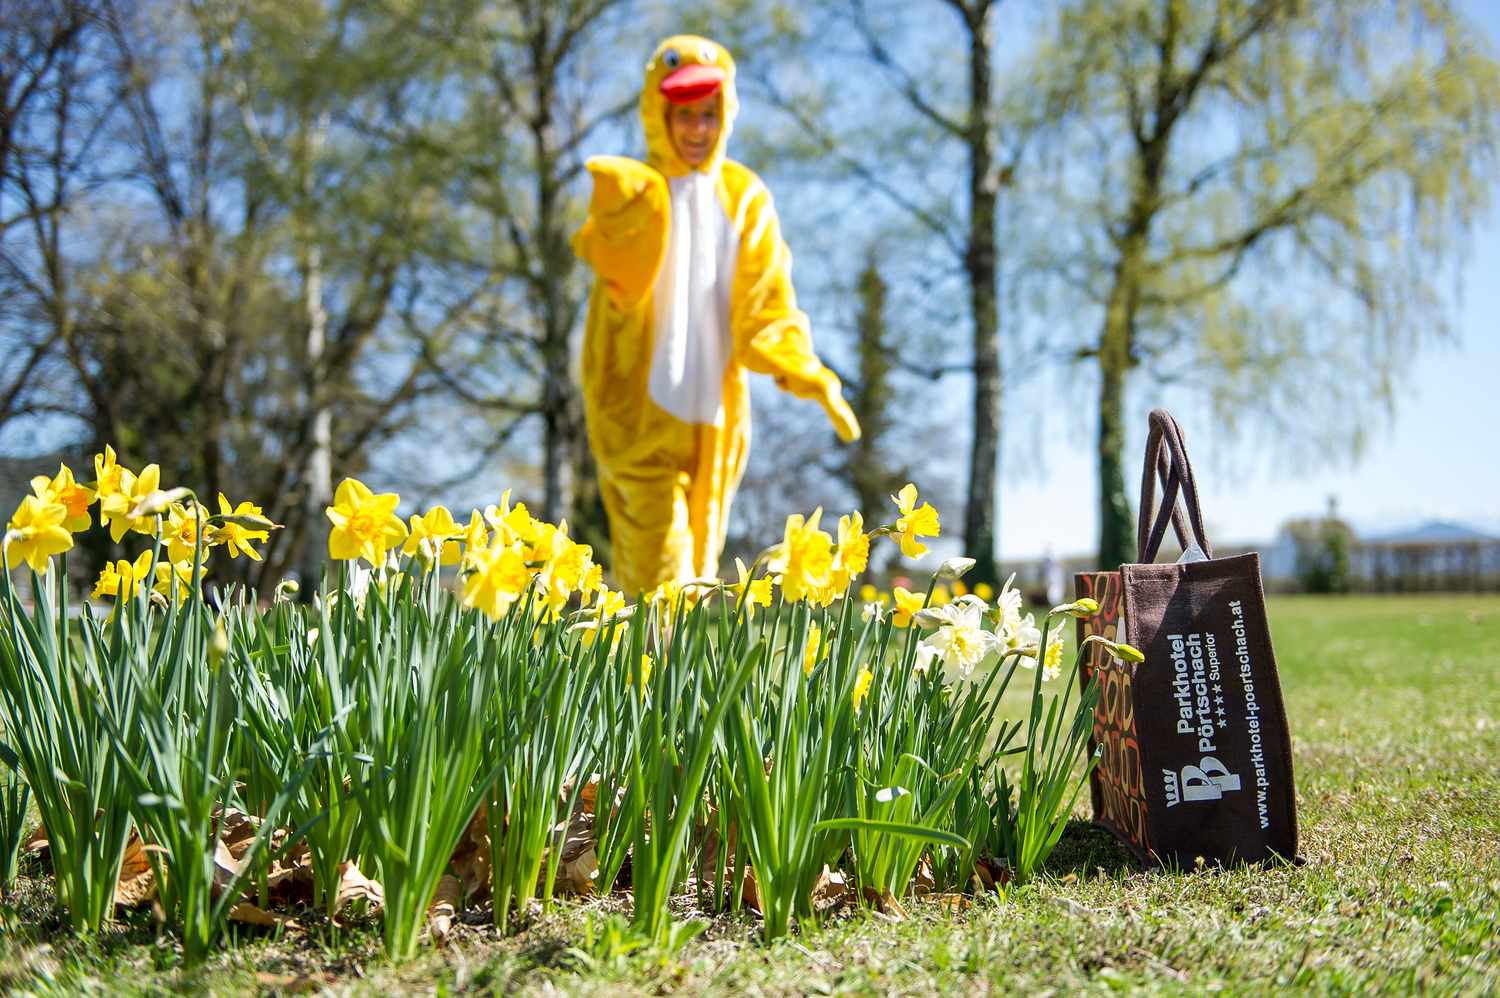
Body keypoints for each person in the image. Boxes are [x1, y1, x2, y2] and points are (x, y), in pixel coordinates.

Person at [572, 34, 860, 596]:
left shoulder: (744, 196)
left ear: (726, 113)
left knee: (693, 575)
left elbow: (766, 301)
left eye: (710, 112)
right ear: (659, 113)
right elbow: (612, 279)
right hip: (639, 420)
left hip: (713, 425)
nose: (698, 129)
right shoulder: (641, 193)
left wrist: (805, 369)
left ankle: (642, 682)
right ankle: (655, 681)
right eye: (684, 114)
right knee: (665, 578)